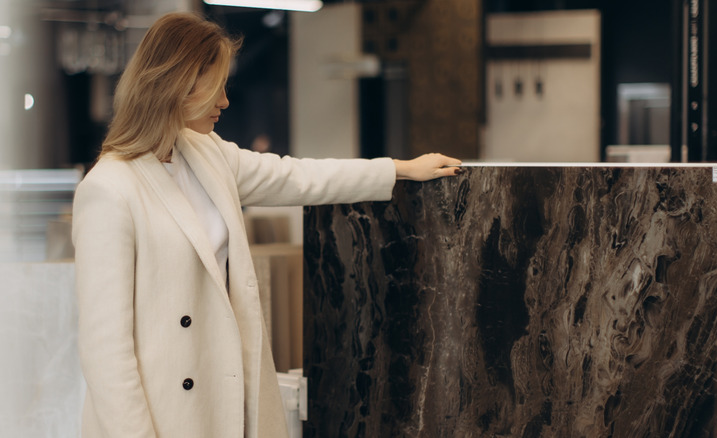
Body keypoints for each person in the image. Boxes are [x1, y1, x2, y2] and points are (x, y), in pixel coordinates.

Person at [71, 11, 460, 438]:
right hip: (161, 418)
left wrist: (400, 169)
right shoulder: (109, 189)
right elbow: (106, 353)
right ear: (180, 84)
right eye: (217, 86)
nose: (224, 101)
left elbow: (298, 177)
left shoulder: (206, 153)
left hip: (223, 402)